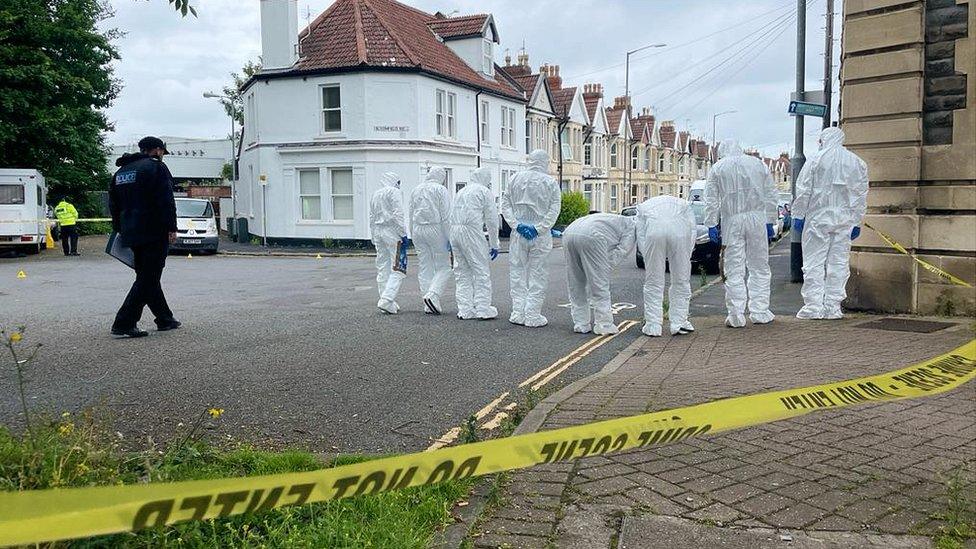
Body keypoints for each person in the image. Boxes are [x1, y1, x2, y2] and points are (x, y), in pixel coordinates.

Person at [791, 127, 869, 320]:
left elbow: (803, 191)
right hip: (844, 219)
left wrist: (798, 215)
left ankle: (813, 306)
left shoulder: (816, 160)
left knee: (814, 262)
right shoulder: (857, 163)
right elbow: (860, 195)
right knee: (839, 262)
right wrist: (857, 221)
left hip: (818, 217)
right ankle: (833, 307)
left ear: (824, 139)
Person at [109, 136, 180, 338]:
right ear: (157, 150)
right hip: (154, 230)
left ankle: (165, 318)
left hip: (130, 232)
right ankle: (124, 322)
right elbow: (165, 200)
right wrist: (171, 227)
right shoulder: (155, 167)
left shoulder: (121, 172)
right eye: (162, 152)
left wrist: (120, 229)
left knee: (147, 275)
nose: (162, 156)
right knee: (149, 276)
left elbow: (114, 205)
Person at [704, 139, 779, 328]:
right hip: (757, 218)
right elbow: (771, 193)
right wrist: (770, 220)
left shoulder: (718, 168)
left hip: (732, 220)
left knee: (733, 267)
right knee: (759, 266)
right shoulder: (758, 164)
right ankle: (760, 311)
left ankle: (736, 315)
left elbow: (711, 199)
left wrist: (712, 223)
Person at [501, 149, 562, 327]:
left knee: (517, 272)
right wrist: (539, 228)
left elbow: (505, 204)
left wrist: (516, 225)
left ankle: (518, 312)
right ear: (544, 162)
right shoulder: (550, 182)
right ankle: (533, 315)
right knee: (538, 274)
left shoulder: (514, 179)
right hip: (539, 235)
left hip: (518, 233)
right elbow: (554, 209)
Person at [563, 213, 636, 335]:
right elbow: (622, 251)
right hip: (593, 235)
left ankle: (581, 324)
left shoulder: (616, 219)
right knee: (599, 285)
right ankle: (604, 324)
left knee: (575, 281)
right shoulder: (632, 227)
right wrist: (603, 267)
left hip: (569, 232)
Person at [636, 195, 697, 337]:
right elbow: (692, 229)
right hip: (679, 232)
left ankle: (653, 325)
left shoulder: (644, 206)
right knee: (681, 280)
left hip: (654, 231)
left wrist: (648, 257)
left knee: (653, 282)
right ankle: (679, 322)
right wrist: (687, 252)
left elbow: (640, 234)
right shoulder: (683, 204)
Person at [450, 167, 500, 320]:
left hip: (454, 231)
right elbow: (492, 220)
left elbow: (451, 213)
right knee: (480, 270)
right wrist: (494, 243)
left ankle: (465, 309)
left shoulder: (462, 191)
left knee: (462, 272)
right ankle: (483, 308)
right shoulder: (483, 192)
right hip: (471, 232)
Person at [409, 167, 453, 315]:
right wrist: (450, 238)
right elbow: (446, 216)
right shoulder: (441, 190)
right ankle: (433, 295)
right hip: (435, 229)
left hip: (417, 229)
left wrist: (412, 234)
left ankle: (428, 304)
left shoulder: (416, 190)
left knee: (425, 267)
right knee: (444, 266)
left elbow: (410, 213)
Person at [370, 172, 408, 314]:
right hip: (392, 232)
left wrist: (373, 236)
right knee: (398, 268)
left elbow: (372, 217)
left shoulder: (375, 194)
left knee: (382, 266)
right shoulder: (394, 193)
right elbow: (398, 214)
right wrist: (403, 233)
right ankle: (387, 299)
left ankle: (386, 301)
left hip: (379, 232)